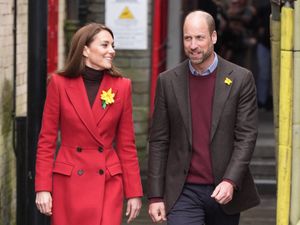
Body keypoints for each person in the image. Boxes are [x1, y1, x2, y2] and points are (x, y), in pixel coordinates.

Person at [148, 11, 260, 225]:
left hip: (223, 191)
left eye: (199, 37)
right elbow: (158, 141)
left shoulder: (240, 79)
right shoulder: (167, 81)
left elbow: (246, 137)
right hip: (182, 192)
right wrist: (155, 196)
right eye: (187, 38)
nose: (193, 45)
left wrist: (230, 180)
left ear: (214, 37)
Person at [35, 23, 143, 225]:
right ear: (85, 49)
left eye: (113, 45)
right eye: (105, 45)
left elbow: (127, 145)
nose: (112, 51)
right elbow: (46, 141)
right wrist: (42, 188)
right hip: (68, 183)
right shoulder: (58, 84)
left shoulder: (122, 86)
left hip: (108, 183)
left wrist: (134, 192)